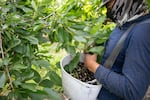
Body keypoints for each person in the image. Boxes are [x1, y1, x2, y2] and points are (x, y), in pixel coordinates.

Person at [84, 0, 150, 100]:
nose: (108, 11)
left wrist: (92, 65)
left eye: (109, 5)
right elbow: (116, 57)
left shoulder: (142, 32)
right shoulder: (125, 23)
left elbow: (132, 90)